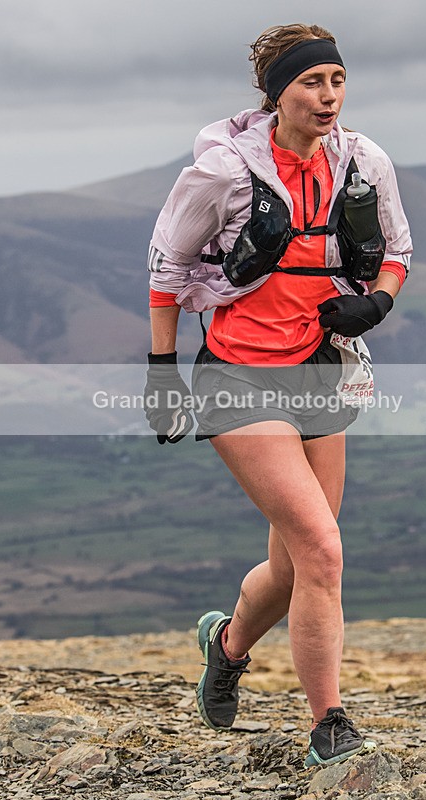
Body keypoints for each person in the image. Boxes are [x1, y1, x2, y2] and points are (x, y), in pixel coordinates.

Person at [144, 23, 412, 767]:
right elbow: (166, 271)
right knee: (323, 548)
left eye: (336, 80)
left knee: (298, 561)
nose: (327, 97)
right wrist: (161, 371)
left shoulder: (363, 161)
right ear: (276, 93)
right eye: (310, 83)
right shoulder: (223, 173)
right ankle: (329, 722)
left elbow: (396, 251)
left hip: (322, 368)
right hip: (238, 376)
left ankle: (226, 646)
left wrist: (376, 303)